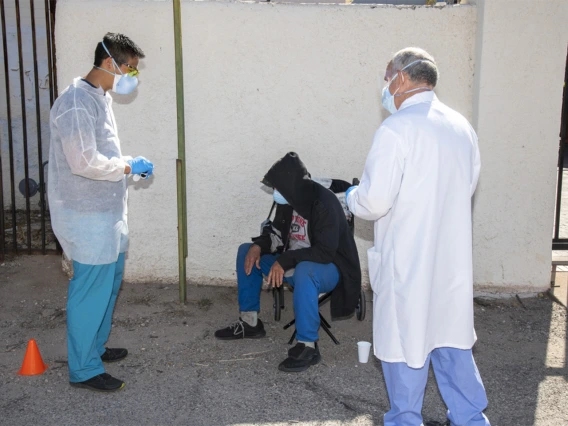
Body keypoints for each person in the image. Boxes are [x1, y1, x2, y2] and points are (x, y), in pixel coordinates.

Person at [346, 47, 490, 425]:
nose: (385, 86)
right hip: (450, 265)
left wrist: (351, 197)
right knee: (450, 343)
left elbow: (374, 202)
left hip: (408, 264)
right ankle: (471, 420)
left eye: (387, 76)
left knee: (405, 349)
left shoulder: (396, 129)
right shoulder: (462, 127)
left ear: (403, 77)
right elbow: (467, 186)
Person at [48, 33, 154, 392]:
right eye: (131, 70)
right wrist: (125, 168)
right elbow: (83, 161)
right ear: (111, 63)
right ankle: (84, 369)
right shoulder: (76, 101)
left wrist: (126, 164)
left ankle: (95, 348)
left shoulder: (98, 98)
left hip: (107, 211)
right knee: (90, 290)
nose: (133, 77)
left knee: (108, 288)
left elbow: (99, 154)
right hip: (85, 214)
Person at [215, 152, 361, 372]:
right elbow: (275, 235)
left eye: (277, 189)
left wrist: (284, 261)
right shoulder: (289, 200)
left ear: (291, 187)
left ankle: (308, 346)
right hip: (293, 262)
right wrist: (259, 246)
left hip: (329, 267)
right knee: (246, 251)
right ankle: (250, 322)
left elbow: (325, 252)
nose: (275, 193)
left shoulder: (324, 204)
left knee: (304, 270)